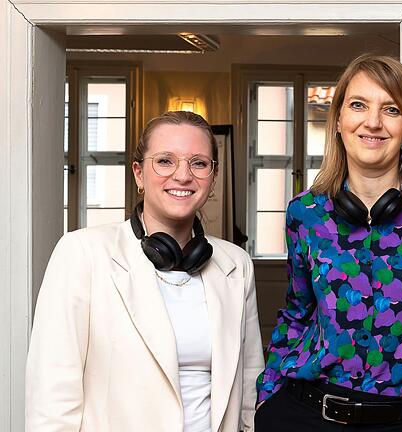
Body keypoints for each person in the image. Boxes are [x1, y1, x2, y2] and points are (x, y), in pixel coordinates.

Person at [255, 54, 402, 432]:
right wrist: (267, 398)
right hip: (307, 412)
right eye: (358, 105)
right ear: (338, 120)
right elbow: (296, 314)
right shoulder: (305, 213)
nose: (373, 122)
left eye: (391, 109)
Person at [26, 111, 264, 432]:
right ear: (138, 174)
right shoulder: (82, 253)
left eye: (199, 163)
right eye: (165, 161)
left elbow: (250, 386)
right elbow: (52, 394)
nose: (183, 176)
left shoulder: (236, 265)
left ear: (213, 176)